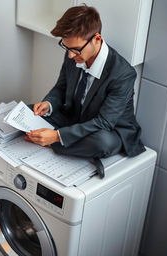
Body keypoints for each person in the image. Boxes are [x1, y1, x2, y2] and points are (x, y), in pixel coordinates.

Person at [25, 5, 145, 178]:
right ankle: (61, 139)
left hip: (109, 130)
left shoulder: (123, 74)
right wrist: (49, 104)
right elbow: (61, 87)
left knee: (102, 143)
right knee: (29, 111)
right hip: (75, 118)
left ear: (97, 39)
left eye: (76, 50)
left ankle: (51, 143)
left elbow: (104, 122)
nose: (71, 56)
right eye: (66, 48)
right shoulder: (74, 53)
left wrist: (56, 137)